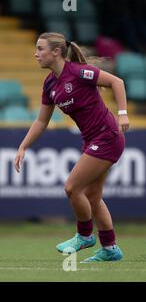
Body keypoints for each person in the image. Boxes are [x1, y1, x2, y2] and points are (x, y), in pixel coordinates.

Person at [14, 32, 129, 262]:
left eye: (40, 49)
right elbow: (41, 121)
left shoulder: (78, 73)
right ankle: (110, 249)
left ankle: (84, 235)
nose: (36, 54)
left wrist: (123, 114)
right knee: (92, 197)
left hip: (108, 136)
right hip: (93, 140)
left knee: (71, 187)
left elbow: (117, 82)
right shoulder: (50, 85)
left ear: (56, 52)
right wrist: (23, 147)